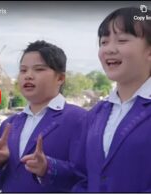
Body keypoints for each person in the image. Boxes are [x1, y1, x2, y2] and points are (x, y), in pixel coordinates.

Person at [0, 40, 87, 192]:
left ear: (60, 78)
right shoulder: (9, 124)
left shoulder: (80, 119)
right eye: (23, 70)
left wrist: (48, 168)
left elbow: (86, 178)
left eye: (38, 69)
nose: (28, 76)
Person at [72, 7, 151, 192]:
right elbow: (83, 177)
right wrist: (48, 168)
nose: (109, 49)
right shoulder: (95, 115)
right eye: (104, 42)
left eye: (122, 40)